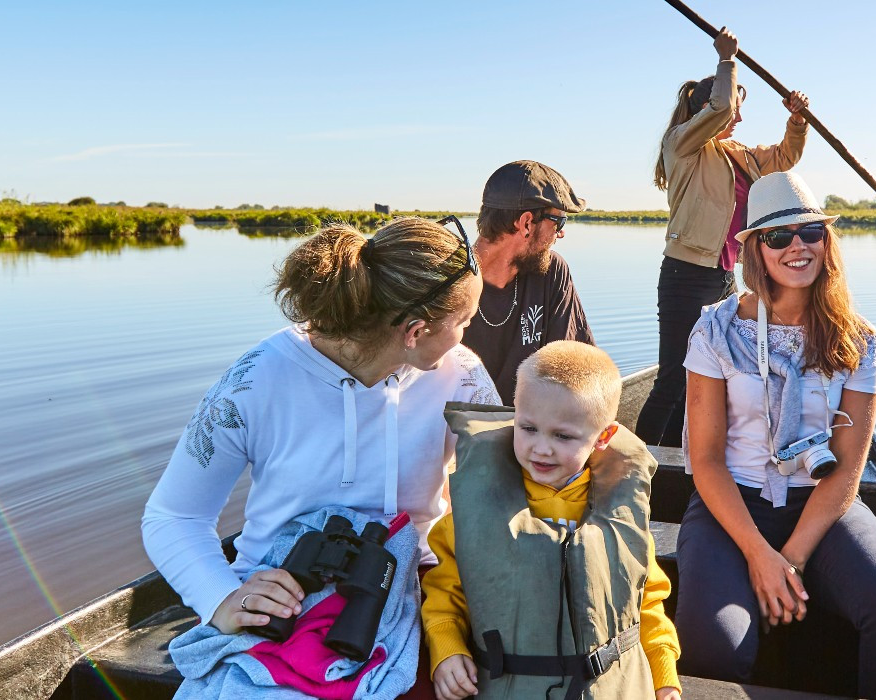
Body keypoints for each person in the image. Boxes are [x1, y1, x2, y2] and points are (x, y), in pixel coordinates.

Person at [142, 217, 499, 679]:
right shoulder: (254, 380)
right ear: (414, 332)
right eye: (463, 322)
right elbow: (174, 516)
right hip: (282, 597)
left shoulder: (462, 375)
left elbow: (509, 483)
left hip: (417, 588)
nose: (464, 337)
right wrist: (222, 598)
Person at [674, 172, 876, 698]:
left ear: (825, 242)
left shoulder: (859, 340)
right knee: (713, 647)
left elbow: (848, 470)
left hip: (822, 502)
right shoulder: (716, 331)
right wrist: (758, 555)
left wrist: (789, 560)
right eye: (777, 236)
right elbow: (706, 461)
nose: (797, 246)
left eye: (809, 232)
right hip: (731, 504)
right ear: (755, 251)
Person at [423, 341, 681, 700]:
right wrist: (447, 648)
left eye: (562, 436)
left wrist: (664, 675)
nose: (541, 448)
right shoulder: (473, 513)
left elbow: (646, 605)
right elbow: (444, 595)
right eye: (528, 428)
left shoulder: (623, 518)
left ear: (604, 436)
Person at [635, 27, 811, 447]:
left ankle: (679, 457)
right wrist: (727, 60)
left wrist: (797, 121)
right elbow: (718, 108)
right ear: (709, 110)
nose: (738, 118)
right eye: (735, 109)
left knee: (705, 372)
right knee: (673, 376)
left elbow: (784, 157)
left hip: (721, 278)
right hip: (685, 276)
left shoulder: (736, 156)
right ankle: (638, 463)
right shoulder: (681, 145)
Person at [463, 160, 595, 405]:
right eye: (559, 222)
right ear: (525, 223)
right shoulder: (449, 281)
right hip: (455, 435)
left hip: (529, 431)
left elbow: (574, 368)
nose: (561, 233)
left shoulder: (552, 271)